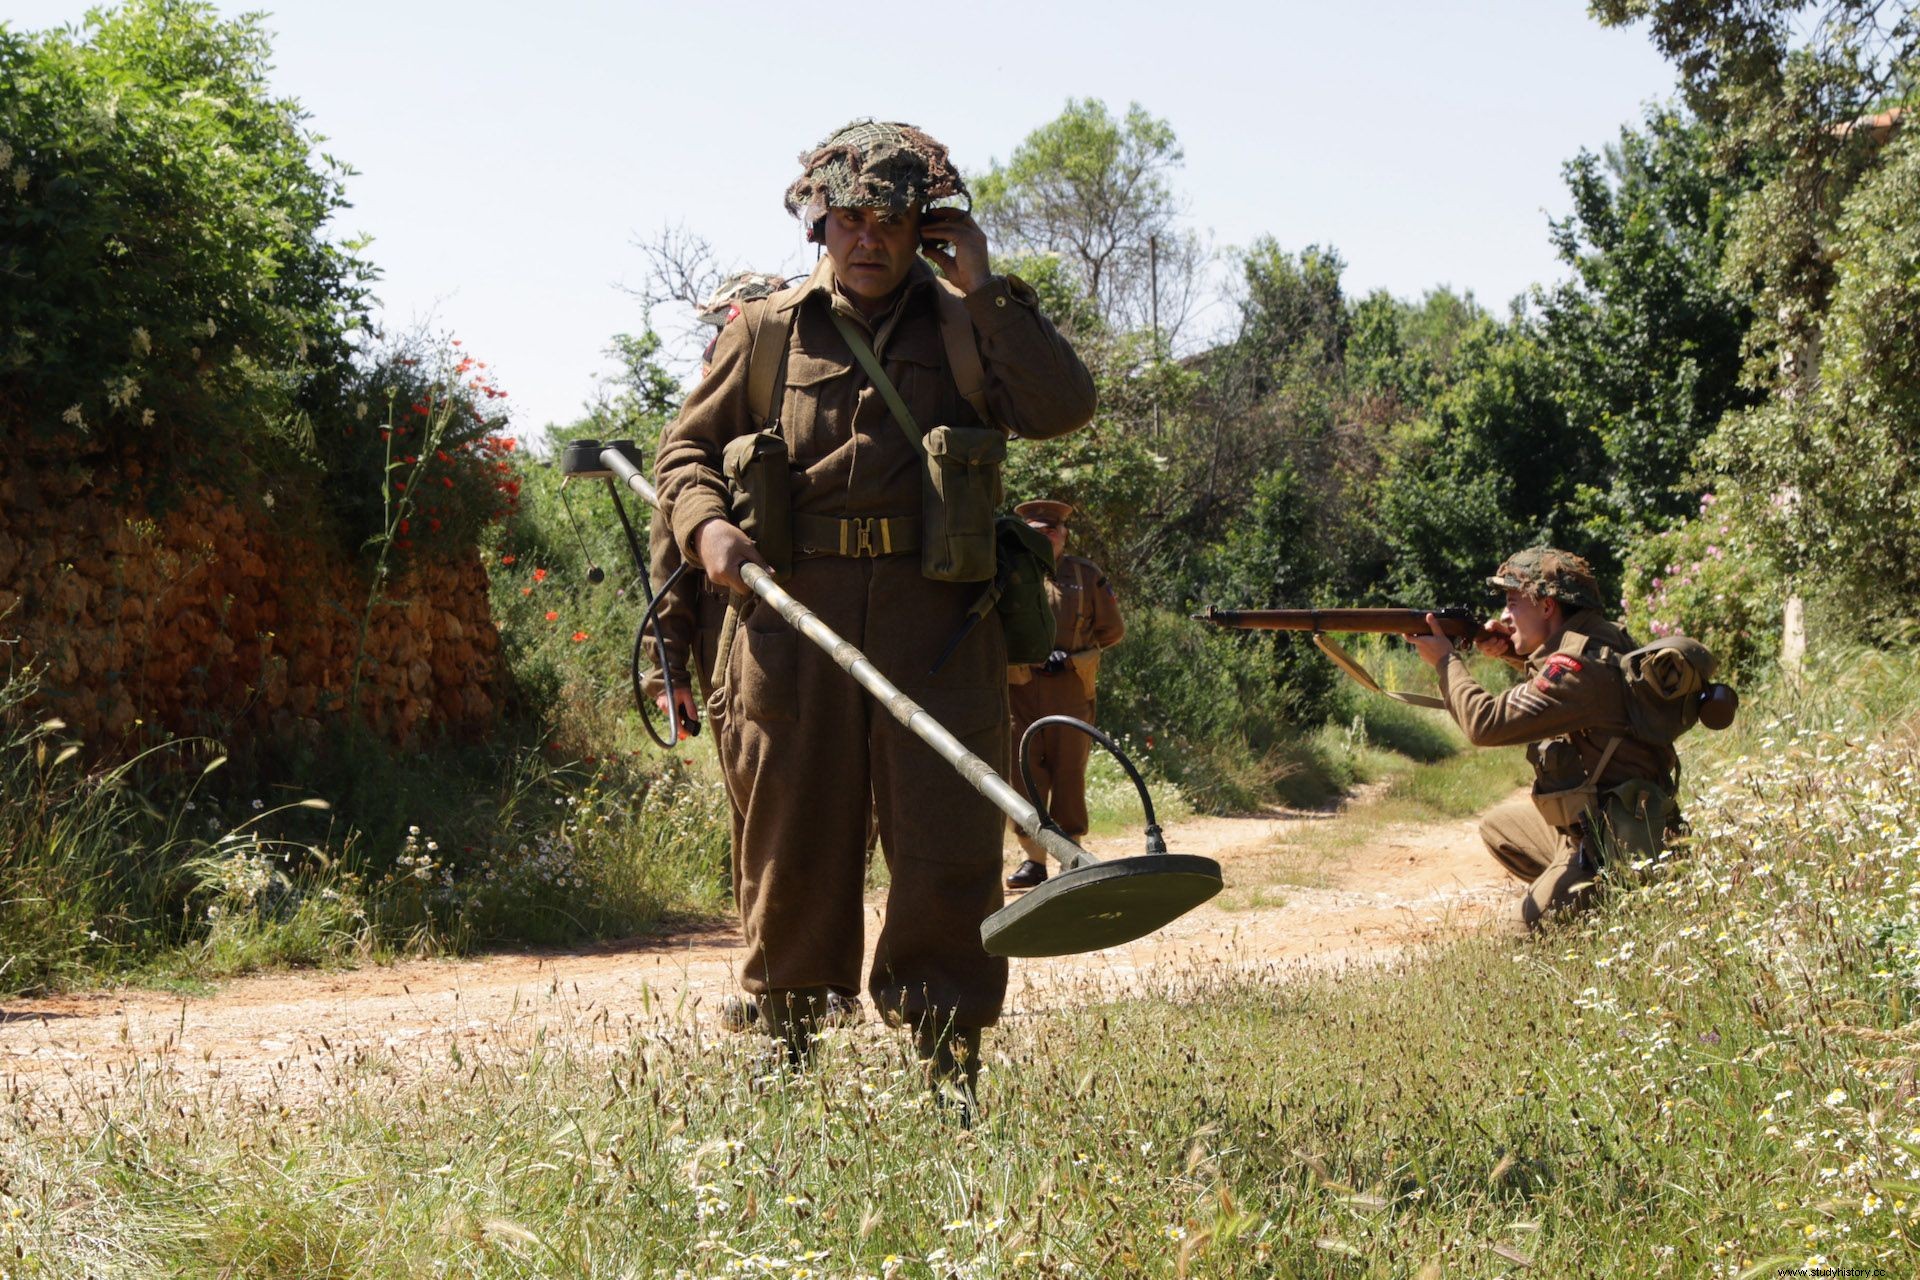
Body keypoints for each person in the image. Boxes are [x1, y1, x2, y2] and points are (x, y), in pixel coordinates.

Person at [653, 120, 1096, 1100]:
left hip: (939, 636)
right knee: (792, 858)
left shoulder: (964, 323)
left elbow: (1064, 403)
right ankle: (783, 1064)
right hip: (789, 635)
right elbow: (683, 455)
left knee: (948, 860)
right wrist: (706, 531)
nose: (868, 239)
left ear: (923, 225)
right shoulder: (767, 332)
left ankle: (950, 1078)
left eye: (890, 219)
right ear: (820, 223)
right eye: (848, 217)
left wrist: (983, 286)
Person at [1404, 547, 1677, 933]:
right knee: (1500, 827)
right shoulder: (1600, 638)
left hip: (1617, 843)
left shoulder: (1580, 669)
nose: (1503, 616)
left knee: (1519, 933)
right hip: (1604, 820)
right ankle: (1574, 895)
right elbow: (1561, 682)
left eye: (1513, 603)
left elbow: (1486, 724)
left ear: (1547, 607)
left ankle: (1602, 897)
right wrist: (1513, 652)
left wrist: (1447, 662)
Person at [642, 272, 791, 739]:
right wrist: (668, 671)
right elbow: (670, 559)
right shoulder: (697, 426)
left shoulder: (806, 404)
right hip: (727, 631)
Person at [1003, 500, 1126, 889]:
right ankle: (1033, 859)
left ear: (1064, 534)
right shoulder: (1006, 570)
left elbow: (1112, 631)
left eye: (1052, 529)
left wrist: (1073, 659)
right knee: (1023, 774)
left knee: (1069, 773)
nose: (1046, 535)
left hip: (1070, 690)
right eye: (1037, 530)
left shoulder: (1085, 575)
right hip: (1019, 689)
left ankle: (1070, 854)